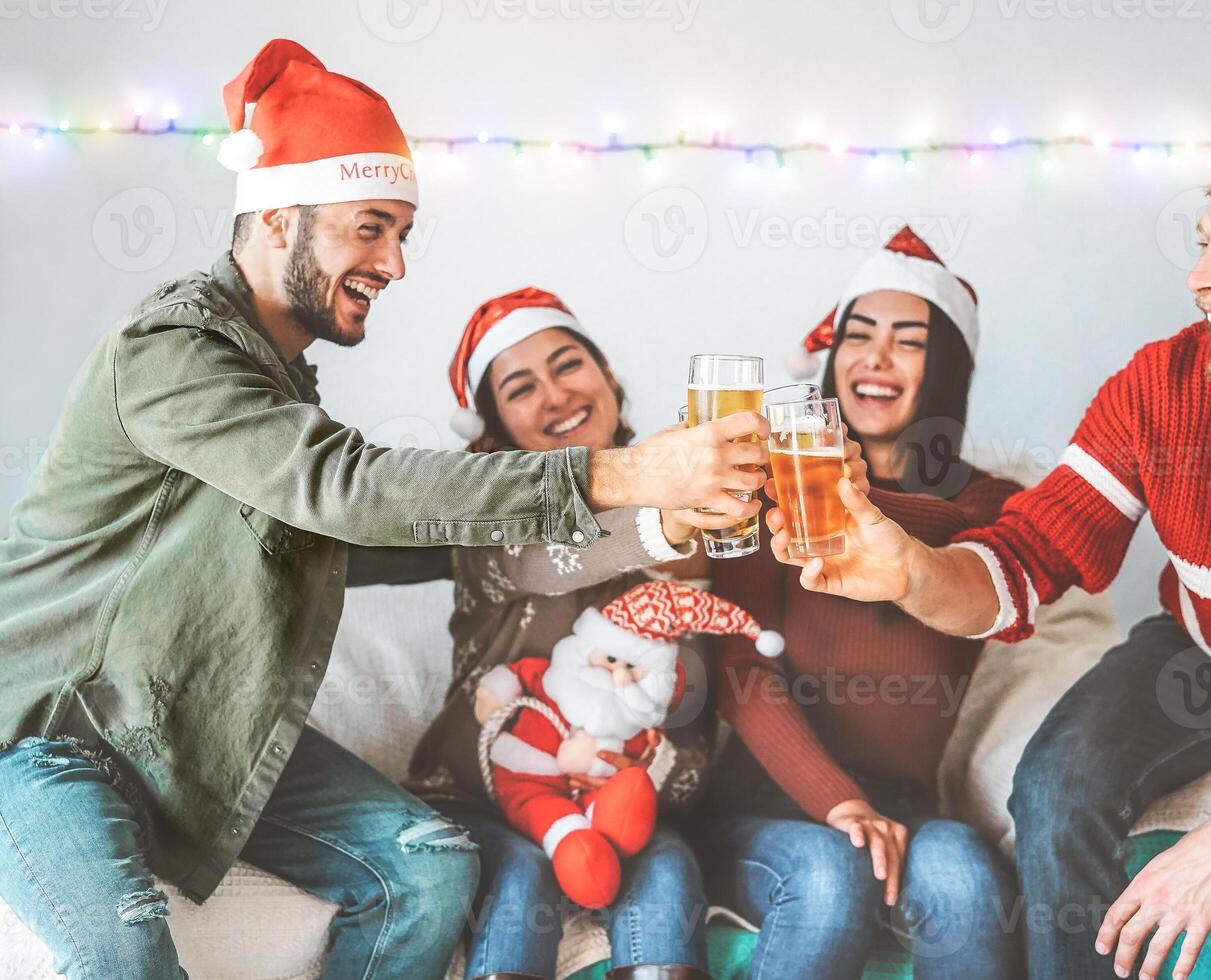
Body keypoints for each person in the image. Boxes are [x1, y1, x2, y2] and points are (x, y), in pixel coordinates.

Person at [0, 43, 767, 980]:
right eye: (371, 228)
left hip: (191, 731)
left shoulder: (278, 385)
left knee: (428, 864)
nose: (395, 262)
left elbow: (389, 539)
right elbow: (349, 490)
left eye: (401, 232)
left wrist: (654, 525)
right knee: (123, 950)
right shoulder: (173, 352)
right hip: (52, 736)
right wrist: (622, 472)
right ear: (280, 214)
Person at [763, 124, 1211, 980]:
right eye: (1204, 245)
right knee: (1056, 788)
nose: (1201, 278)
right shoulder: (1163, 386)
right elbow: (1025, 555)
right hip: (1207, 659)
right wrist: (911, 572)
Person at [382, 287, 756, 980]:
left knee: (668, 870)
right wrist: (666, 516)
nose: (555, 395)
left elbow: (693, 729)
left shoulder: (701, 521)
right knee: (521, 875)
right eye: (521, 387)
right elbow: (550, 557)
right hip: (484, 796)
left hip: (619, 809)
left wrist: (635, 778)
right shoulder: (485, 513)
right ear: (494, 434)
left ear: (608, 379)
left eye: (568, 365)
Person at [698, 227, 1026, 979]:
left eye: (907, 342)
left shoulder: (991, 510)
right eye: (858, 335)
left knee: (967, 877)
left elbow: (971, 552)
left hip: (905, 804)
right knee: (828, 876)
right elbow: (742, 667)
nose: (875, 358)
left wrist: (865, 503)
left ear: (944, 369)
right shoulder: (773, 488)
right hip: (766, 803)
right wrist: (839, 803)